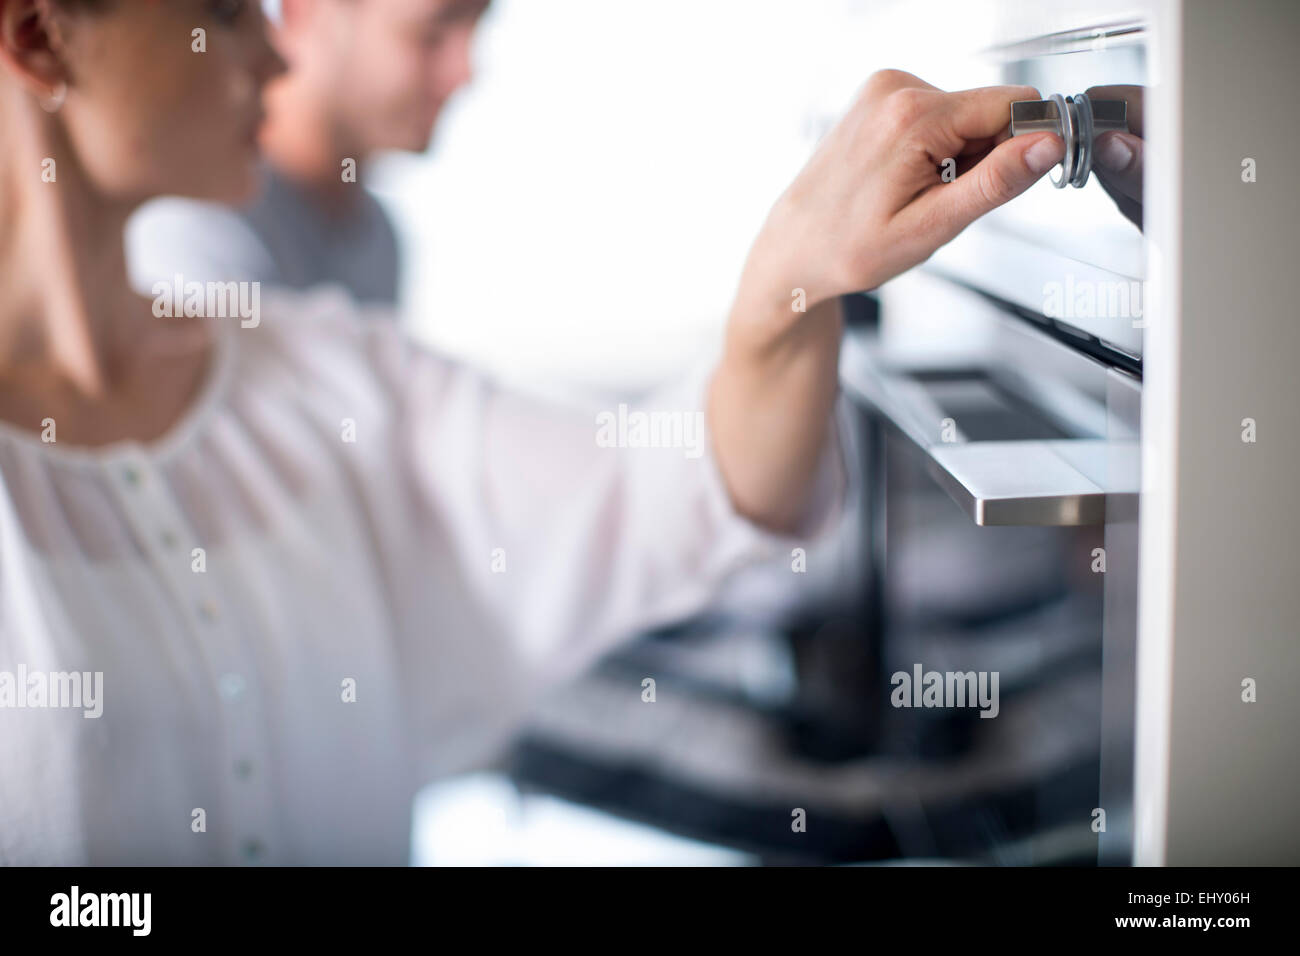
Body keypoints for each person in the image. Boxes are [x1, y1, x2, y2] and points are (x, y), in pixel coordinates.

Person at [0, 0, 1064, 864]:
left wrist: (791, 286)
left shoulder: (330, 368)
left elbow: (680, 485)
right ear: (38, 36)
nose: (272, 54)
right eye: (222, 11)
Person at [126, 0, 491, 306]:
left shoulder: (376, 239)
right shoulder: (192, 220)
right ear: (306, 9)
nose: (466, 72)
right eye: (429, 35)